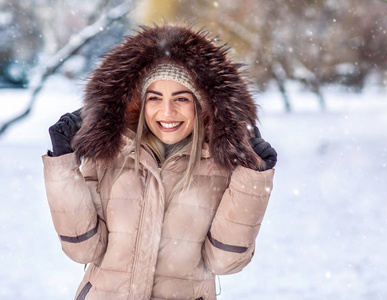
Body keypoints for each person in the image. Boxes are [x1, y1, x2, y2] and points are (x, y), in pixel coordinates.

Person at [42, 23, 277, 300]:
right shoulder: (110, 154)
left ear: (201, 104)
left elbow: (225, 261)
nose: (167, 112)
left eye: (181, 98)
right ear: (140, 104)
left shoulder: (221, 166)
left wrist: (251, 178)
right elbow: (83, 248)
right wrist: (62, 163)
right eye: (155, 98)